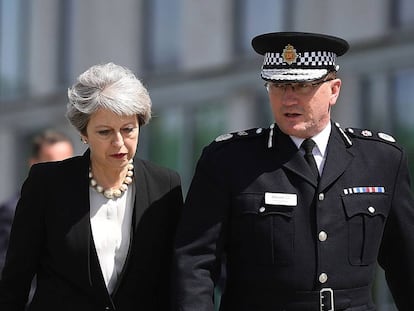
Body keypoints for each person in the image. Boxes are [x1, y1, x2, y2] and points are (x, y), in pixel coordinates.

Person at [173, 32, 414, 311]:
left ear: (334, 90)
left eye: (302, 86)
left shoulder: (381, 158)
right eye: (278, 86)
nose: (287, 99)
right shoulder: (229, 160)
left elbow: (405, 261)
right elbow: (194, 264)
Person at [0, 62, 183, 311]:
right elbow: (16, 278)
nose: (119, 142)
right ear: (83, 133)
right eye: (105, 132)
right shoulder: (46, 183)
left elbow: (171, 277)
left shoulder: (165, 184)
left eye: (128, 129)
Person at [0, 129, 74, 276]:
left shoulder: (83, 205)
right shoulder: (12, 212)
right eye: (54, 163)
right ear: (34, 164)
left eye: (69, 162)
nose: (63, 169)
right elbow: (9, 270)